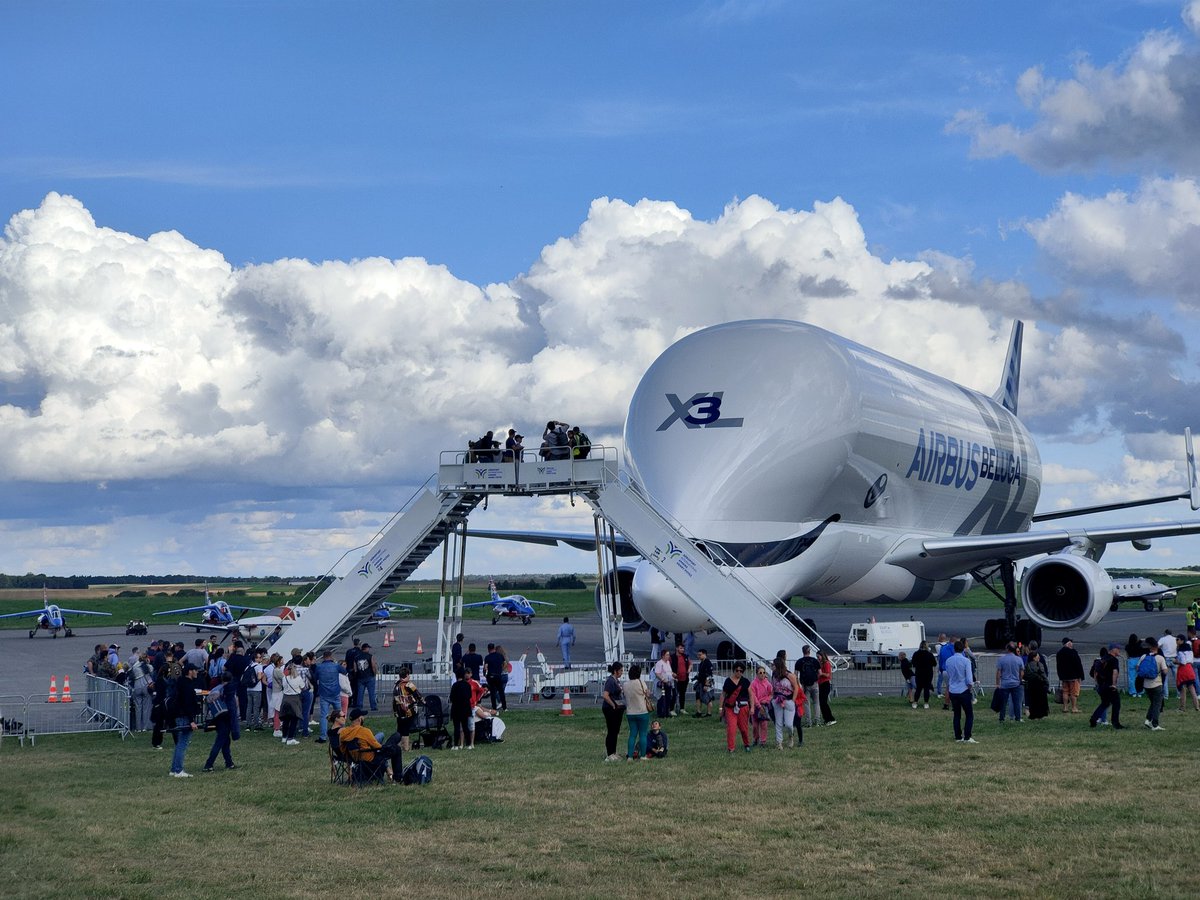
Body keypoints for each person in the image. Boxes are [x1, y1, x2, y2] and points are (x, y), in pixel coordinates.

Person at [339, 707, 403, 780]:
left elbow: (342, 749)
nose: (364, 718)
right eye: (363, 717)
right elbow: (377, 746)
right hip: (371, 759)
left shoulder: (344, 732)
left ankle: (391, 773)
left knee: (393, 740)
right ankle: (398, 778)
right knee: (397, 746)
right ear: (359, 719)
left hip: (355, 759)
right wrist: (382, 747)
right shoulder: (364, 731)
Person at [168, 664, 202, 777]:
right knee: (182, 744)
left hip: (179, 715)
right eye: (195, 670)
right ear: (190, 671)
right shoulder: (187, 685)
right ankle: (178, 770)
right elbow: (187, 704)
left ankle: (174, 769)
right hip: (184, 717)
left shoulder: (181, 683)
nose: (197, 672)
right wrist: (191, 720)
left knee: (179, 744)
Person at [202, 672, 240, 771]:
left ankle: (229, 762)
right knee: (220, 741)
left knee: (225, 741)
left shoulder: (215, 689)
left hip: (217, 717)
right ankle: (208, 764)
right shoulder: (229, 689)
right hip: (226, 716)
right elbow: (233, 705)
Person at [944, 639, 976, 743]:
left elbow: (949, 674)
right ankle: (967, 736)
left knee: (957, 714)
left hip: (953, 690)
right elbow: (969, 678)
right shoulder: (966, 661)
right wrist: (970, 686)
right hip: (964, 689)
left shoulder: (948, 661)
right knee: (969, 714)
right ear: (963, 649)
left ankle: (958, 736)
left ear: (954, 649)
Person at [1089, 644, 1125, 730]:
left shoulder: (1103, 659)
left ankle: (1094, 718)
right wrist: (1114, 684)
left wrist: (1098, 683)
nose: (1119, 651)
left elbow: (1096, 672)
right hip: (1109, 685)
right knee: (1116, 703)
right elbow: (1115, 672)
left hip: (1101, 685)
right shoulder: (1114, 660)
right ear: (1113, 649)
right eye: (1118, 649)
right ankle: (1116, 723)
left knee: (1105, 703)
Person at [313, 649, 345, 743]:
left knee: (324, 715)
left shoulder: (319, 667)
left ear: (323, 657)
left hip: (324, 694)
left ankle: (323, 737)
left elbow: (315, 678)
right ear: (331, 656)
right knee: (340, 714)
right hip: (335, 693)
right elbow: (344, 671)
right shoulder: (336, 666)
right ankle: (343, 733)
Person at [720, 662, 752, 753]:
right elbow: (723, 694)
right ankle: (731, 748)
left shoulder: (745, 681)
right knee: (731, 728)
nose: (739, 672)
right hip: (730, 708)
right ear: (734, 670)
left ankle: (746, 744)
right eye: (737, 670)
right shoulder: (728, 681)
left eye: (741, 671)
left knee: (743, 729)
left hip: (743, 708)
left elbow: (751, 695)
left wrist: (752, 707)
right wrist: (720, 708)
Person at [623, 663, 652, 761]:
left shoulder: (625, 684)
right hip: (642, 711)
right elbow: (647, 693)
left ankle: (630, 756)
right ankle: (643, 756)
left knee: (632, 734)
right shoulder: (641, 682)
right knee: (643, 734)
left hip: (630, 712)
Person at [770, 657, 801, 749]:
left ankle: (791, 736)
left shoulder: (789, 675)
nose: (772, 666)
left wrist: (793, 700)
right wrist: (772, 698)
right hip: (777, 700)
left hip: (788, 700)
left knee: (788, 724)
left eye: (773, 665)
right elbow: (773, 687)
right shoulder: (774, 675)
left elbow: (796, 688)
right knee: (778, 723)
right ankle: (779, 742)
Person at [392, 667, 423, 752]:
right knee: (405, 729)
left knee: (399, 729)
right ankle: (406, 748)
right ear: (407, 675)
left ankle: (397, 746)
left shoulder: (396, 685)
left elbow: (395, 698)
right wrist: (423, 702)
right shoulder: (409, 684)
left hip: (398, 710)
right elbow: (417, 694)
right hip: (407, 710)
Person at [601, 661, 626, 762]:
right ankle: (609, 753)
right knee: (611, 731)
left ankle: (614, 752)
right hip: (610, 709)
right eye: (620, 670)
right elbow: (605, 695)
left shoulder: (617, 681)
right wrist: (613, 705)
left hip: (617, 709)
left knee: (615, 731)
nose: (622, 672)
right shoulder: (610, 681)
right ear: (615, 671)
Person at [994, 642, 1024, 723]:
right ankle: (1018, 718)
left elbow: (999, 672)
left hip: (1005, 683)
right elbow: (1021, 672)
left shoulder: (1002, 659)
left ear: (1007, 649)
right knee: (1017, 702)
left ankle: (1002, 718)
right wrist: (1020, 680)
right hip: (1016, 683)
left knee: (1003, 703)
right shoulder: (1019, 659)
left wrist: (997, 683)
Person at [1142, 639, 1167, 731]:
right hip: (1156, 684)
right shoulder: (1160, 658)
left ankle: (1148, 720)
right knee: (1157, 705)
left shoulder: (1144, 656)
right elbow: (1165, 671)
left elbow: (1138, 667)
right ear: (1157, 647)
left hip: (1146, 684)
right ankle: (1155, 724)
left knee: (1153, 703)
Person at [279, 661, 306, 745]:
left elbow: (283, 686)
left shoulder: (284, 678)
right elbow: (303, 687)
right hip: (295, 699)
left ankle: (284, 737)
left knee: (286, 720)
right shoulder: (298, 678)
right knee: (294, 719)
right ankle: (290, 738)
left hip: (285, 699)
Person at [1055, 638, 1085, 713]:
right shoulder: (1073, 652)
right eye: (1071, 642)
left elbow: (1058, 665)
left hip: (1064, 676)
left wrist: (1060, 675)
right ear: (1068, 643)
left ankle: (1065, 708)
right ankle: (1074, 708)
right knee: (1073, 693)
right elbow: (1078, 664)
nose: (1072, 644)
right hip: (1073, 676)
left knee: (1065, 692)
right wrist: (1081, 675)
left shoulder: (1059, 653)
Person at [449, 668, 476, 750]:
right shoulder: (467, 685)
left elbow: (451, 698)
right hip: (465, 708)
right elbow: (469, 696)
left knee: (457, 727)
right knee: (465, 726)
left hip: (456, 708)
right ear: (464, 675)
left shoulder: (455, 685)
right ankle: (468, 744)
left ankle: (456, 745)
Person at [749, 665, 773, 748]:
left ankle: (763, 741)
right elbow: (753, 696)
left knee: (764, 724)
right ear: (757, 674)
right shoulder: (753, 683)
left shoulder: (768, 683)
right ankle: (755, 739)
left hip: (764, 705)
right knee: (755, 725)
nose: (762, 674)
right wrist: (759, 706)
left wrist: (766, 700)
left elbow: (771, 694)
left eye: (764, 673)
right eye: (760, 673)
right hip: (755, 706)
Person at [796, 646, 821, 725]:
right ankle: (817, 720)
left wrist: (799, 684)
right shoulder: (814, 661)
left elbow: (795, 674)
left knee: (807, 703)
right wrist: (815, 679)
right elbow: (820, 673)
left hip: (805, 685)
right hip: (814, 684)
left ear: (802, 651)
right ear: (809, 651)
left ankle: (808, 721)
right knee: (816, 703)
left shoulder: (799, 661)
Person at [910, 640, 936, 709]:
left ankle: (915, 702)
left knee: (918, 688)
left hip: (919, 673)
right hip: (928, 673)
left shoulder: (916, 653)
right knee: (926, 688)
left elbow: (913, 663)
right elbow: (934, 663)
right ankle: (926, 703)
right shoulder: (929, 654)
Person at [1025, 648, 1049, 720]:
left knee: (1033, 700)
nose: (1039, 658)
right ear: (1034, 657)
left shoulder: (1027, 665)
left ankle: (1033, 715)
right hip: (1039, 684)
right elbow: (1043, 674)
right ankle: (1040, 715)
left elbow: (1025, 675)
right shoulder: (1039, 664)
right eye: (1037, 656)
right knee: (1041, 700)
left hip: (1031, 684)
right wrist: (1047, 683)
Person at [483, 643, 506, 711]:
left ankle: (494, 707)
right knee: (501, 691)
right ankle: (504, 707)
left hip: (491, 676)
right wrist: (501, 670)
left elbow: (485, 667)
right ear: (494, 648)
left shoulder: (487, 657)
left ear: (488, 649)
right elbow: (505, 664)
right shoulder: (500, 656)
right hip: (498, 675)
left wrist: (485, 674)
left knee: (493, 692)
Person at [355, 642, 378, 711]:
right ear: (366, 648)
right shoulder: (370, 656)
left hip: (360, 677)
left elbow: (355, 668)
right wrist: (374, 673)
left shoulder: (356, 657)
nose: (369, 649)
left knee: (360, 693)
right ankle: (373, 706)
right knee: (371, 693)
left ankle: (359, 706)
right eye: (368, 648)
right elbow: (373, 666)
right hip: (369, 676)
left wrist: (357, 675)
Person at [653, 649, 675, 716]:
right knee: (661, 698)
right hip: (662, 683)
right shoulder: (659, 663)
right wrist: (663, 679)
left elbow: (669, 672)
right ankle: (661, 713)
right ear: (663, 656)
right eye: (667, 655)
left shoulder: (668, 662)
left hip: (668, 682)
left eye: (668, 655)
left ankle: (666, 712)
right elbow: (657, 673)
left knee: (668, 698)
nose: (668, 656)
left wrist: (673, 675)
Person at [692, 648, 714, 717]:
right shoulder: (702, 662)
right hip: (700, 683)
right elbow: (701, 673)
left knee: (708, 698)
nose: (698, 656)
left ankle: (709, 713)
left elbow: (709, 675)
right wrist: (696, 677)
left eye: (700, 655)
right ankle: (698, 712)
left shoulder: (708, 663)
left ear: (704, 654)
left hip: (707, 684)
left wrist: (706, 685)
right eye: (698, 655)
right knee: (698, 697)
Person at [817, 651, 837, 725]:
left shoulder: (826, 663)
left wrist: (821, 674)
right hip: (820, 684)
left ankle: (830, 718)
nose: (818, 658)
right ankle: (826, 718)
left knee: (823, 702)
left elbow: (828, 675)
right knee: (821, 703)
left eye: (818, 656)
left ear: (822, 656)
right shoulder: (820, 664)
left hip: (825, 684)